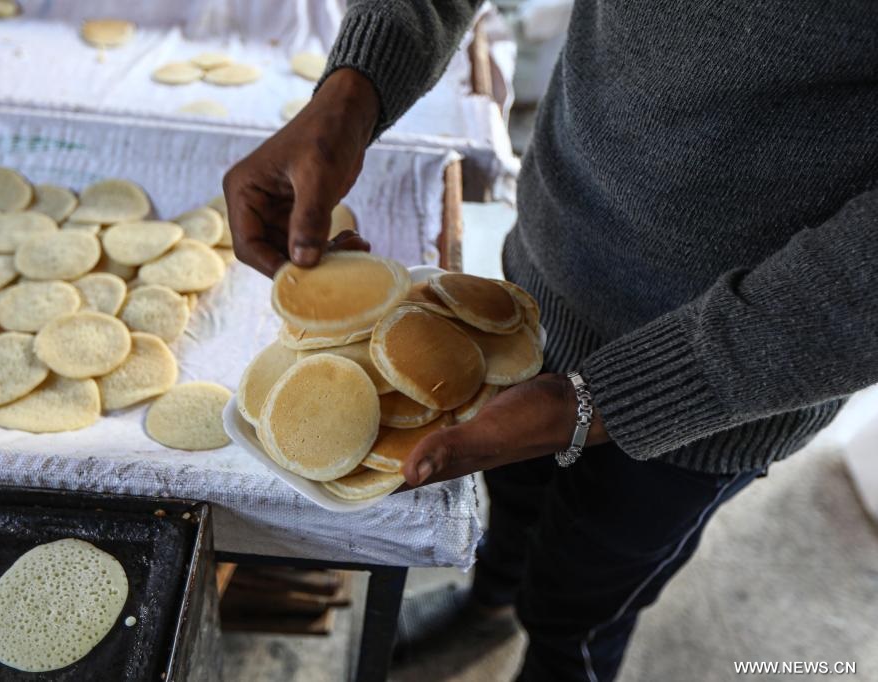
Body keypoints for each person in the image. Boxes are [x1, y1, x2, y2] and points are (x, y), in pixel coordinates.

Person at [223, 2, 878, 680]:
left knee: (585, 592)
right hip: (530, 291)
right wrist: (354, 88)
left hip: (721, 381)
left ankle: (556, 651)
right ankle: (490, 602)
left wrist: (620, 398)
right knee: (512, 500)